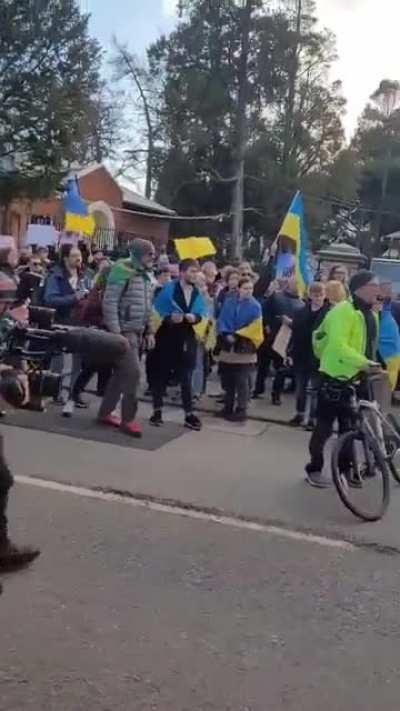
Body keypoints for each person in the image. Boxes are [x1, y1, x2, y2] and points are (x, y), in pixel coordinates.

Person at [305, 270, 381, 488]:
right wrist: (364, 363)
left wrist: (375, 364)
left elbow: (371, 347)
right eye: (374, 285)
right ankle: (314, 468)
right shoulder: (342, 311)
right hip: (334, 376)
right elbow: (338, 346)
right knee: (325, 427)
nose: (378, 289)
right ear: (361, 288)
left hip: (358, 377)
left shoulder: (372, 314)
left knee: (351, 426)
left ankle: (346, 471)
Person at [0, 277, 40, 569]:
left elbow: (12, 355)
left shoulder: (6, 325)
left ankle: (2, 546)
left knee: (2, 479)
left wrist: (17, 372)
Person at [99, 238, 156, 438]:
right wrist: (116, 332)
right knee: (133, 375)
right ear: (139, 254)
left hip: (137, 332)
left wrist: (149, 330)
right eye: (149, 254)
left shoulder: (147, 275)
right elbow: (110, 302)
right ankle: (128, 420)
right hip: (125, 332)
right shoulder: (121, 270)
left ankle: (105, 412)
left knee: (122, 374)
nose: (153, 258)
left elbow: (148, 306)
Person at [150, 259, 205, 431]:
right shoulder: (169, 289)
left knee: (186, 376)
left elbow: (202, 314)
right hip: (167, 337)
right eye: (191, 271)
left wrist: (194, 317)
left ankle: (189, 414)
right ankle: (157, 410)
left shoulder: (197, 293)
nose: (194, 275)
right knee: (161, 374)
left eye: (196, 272)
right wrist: (169, 319)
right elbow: (157, 311)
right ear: (181, 272)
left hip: (187, 338)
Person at [217, 277, 262, 422]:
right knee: (228, 378)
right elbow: (222, 318)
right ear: (239, 289)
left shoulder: (255, 306)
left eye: (251, 288)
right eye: (245, 288)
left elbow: (255, 327)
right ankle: (228, 406)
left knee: (242, 380)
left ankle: (241, 409)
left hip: (245, 346)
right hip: (228, 344)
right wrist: (226, 333)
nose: (248, 291)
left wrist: (238, 335)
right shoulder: (230, 301)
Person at [255, 277, 303, 404]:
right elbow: (265, 312)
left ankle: (276, 394)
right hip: (270, 335)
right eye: (295, 283)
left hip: (286, 339)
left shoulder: (302, 304)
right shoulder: (276, 296)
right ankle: (258, 389)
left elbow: (300, 324)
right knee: (263, 365)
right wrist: (266, 325)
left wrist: (291, 324)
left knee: (281, 368)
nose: (296, 286)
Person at [289, 282, 329, 429]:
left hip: (318, 357)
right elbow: (295, 334)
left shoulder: (329, 313)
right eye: (315, 295)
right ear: (310, 295)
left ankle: (313, 418)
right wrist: (290, 352)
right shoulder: (300, 311)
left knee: (315, 390)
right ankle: (299, 414)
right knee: (300, 388)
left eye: (320, 295)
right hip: (301, 354)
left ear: (325, 296)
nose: (318, 298)